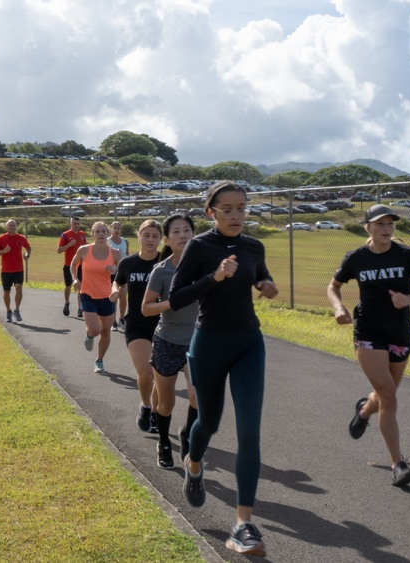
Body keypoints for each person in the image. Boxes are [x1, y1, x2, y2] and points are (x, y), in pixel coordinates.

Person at [168, 181, 278, 557]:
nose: (236, 215)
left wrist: (267, 284)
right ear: (210, 212)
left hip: (249, 342)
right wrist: (214, 277)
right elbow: (177, 297)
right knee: (209, 423)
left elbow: (262, 274)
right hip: (210, 343)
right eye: (227, 209)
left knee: (249, 431)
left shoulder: (252, 246)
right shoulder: (200, 247)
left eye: (242, 208)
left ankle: (243, 524)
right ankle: (193, 462)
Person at [327, 204, 410, 487]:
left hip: (399, 333)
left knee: (386, 395)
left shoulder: (407, 254)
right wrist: (338, 308)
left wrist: (409, 300)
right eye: (380, 223)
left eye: (390, 224)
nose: (386, 228)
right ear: (367, 227)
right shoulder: (356, 258)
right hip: (368, 333)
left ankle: (363, 410)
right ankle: (398, 464)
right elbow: (333, 286)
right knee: (388, 394)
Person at [142, 214, 199, 470]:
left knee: (198, 396)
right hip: (166, 341)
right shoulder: (161, 271)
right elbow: (146, 308)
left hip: (197, 342)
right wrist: (171, 303)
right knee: (166, 403)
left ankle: (187, 433)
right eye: (176, 231)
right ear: (167, 239)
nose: (183, 235)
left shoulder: (205, 267)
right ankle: (164, 442)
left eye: (187, 230)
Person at [111, 219, 163, 433]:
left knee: (160, 375)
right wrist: (115, 290)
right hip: (137, 323)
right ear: (139, 237)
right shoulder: (128, 263)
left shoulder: (167, 262)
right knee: (146, 372)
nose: (150, 240)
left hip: (163, 325)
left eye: (155, 236)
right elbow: (118, 280)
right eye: (146, 235)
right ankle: (146, 405)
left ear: (161, 239)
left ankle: (153, 413)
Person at [71, 221, 121, 373]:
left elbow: (121, 273)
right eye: (97, 231)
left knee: (106, 331)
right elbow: (73, 265)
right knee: (95, 330)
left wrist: (114, 269)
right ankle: (89, 334)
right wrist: (75, 278)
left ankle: (99, 360)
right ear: (92, 235)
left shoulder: (115, 253)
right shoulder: (84, 250)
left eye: (103, 231)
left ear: (108, 234)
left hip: (107, 297)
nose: (100, 234)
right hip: (88, 294)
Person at [0, 219, 31, 323]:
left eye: (14, 225)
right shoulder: (1, 238)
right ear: (6, 227)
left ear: (16, 227)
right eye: (10, 225)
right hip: (6, 270)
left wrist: (27, 255)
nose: (12, 227)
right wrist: (4, 251)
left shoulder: (21, 238)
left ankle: (17, 310)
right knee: (6, 292)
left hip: (18, 269)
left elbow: (28, 247)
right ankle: (9, 311)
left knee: (19, 288)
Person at [57, 216, 87, 317]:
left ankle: (80, 308)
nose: (76, 225)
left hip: (80, 264)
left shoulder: (82, 234)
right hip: (68, 265)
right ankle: (67, 303)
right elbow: (59, 250)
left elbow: (85, 245)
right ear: (71, 224)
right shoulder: (65, 235)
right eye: (74, 223)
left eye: (78, 224)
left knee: (80, 286)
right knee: (68, 285)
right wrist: (69, 245)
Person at [108, 221, 129, 331]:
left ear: (121, 230)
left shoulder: (125, 241)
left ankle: (121, 318)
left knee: (123, 297)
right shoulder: (107, 241)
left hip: (123, 272)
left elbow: (127, 255)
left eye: (118, 228)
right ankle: (113, 321)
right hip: (111, 273)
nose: (116, 230)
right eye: (114, 228)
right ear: (111, 229)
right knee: (114, 297)